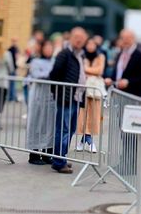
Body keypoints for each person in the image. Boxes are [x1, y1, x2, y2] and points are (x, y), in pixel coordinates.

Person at [48, 27, 87, 174]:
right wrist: (58, 93)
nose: (79, 40)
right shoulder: (65, 54)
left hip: (76, 98)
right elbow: (54, 74)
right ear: (70, 37)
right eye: (76, 37)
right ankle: (59, 161)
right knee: (63, 130)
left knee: (70, 130)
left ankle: (61, 158)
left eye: (82, 38)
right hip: (66, 98)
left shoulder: (79, 55)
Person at [26, 40, 56, 165]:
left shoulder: (55, 61)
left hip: (51, 96)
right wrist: (52, 74)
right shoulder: (35, 61)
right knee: (37, 123)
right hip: (38, 96)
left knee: (50, 125)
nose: (49, 50)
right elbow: (36, 75)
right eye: (46, 47)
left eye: (51, 47)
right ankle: (34, 154)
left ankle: (47, 154)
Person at [76, 37, 105, 152]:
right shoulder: (81, 55)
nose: (90, 46)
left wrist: (87, 70)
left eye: (93, 44)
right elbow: (80, 69)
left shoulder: (100, 56)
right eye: (88, 44)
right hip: (83, 89)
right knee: (82, 115)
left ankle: (86, 140)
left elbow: (100, 70)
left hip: (95, 90)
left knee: (93, 115)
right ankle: (89, 141)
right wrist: (90, 71)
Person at [105, 29, 141, 97]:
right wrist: (111, 80)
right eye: (123, 38)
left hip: (133, 96)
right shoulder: (120, 53)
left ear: (133, 39)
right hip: (118, 94)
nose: (125, 40)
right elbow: (118, 73)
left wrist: (128, 82)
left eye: (127, 38)